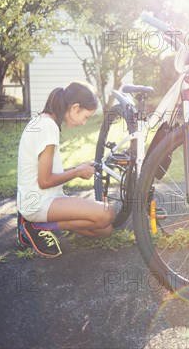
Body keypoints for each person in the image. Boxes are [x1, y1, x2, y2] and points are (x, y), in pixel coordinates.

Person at [16, 81, 115, 257]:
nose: (85, 123)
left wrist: (77, 167)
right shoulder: (48, 127)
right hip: (39, 202)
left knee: (105, 229)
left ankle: (42, 225)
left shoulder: (45, 122)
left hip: (44, 199)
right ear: (75, 108)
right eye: (86, 117)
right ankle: (36, 226)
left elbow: (44, 173)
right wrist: (77, 172)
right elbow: (44, 181)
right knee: (107, 213)